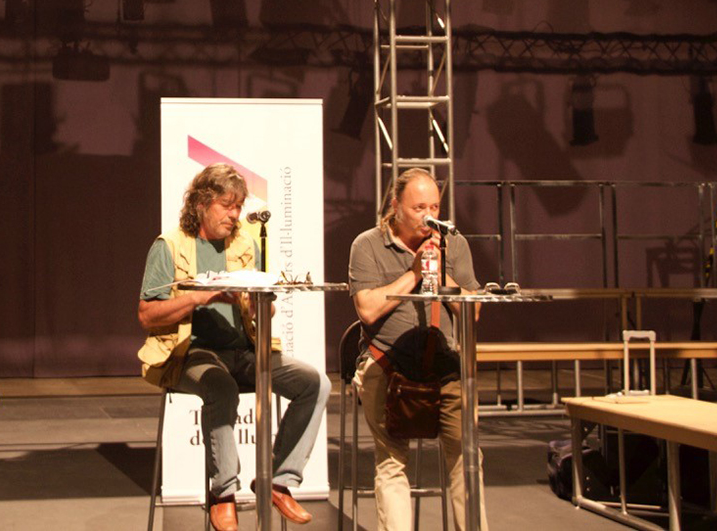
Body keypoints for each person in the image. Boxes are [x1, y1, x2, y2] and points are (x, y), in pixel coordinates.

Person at [138, 163, 331, 531]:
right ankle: (223, 494)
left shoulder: (245, 244)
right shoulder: (170, 246)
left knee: (315, 383)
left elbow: (264, 311)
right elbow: (147, 315)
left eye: (239, 206)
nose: (235, 214)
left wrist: (260, 299)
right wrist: (199, 297)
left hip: (244, 351)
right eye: (227, 205)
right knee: (220, 386)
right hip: (188, 353)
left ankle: (277, 482)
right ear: (201, 203)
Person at [347, 168, 488, 531]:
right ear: (395, 206)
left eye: (434, 207)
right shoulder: (368, 244)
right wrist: (414, 273)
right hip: (388, 364)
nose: (429, 216)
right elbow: (367, 309)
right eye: (419, 208)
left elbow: (472, 310)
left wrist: (441, 273)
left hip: (445, 366)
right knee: (392, 463)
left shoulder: (453, 243)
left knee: (467, 457)